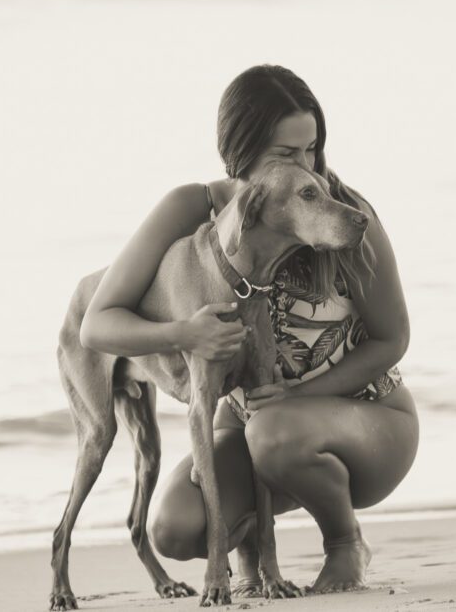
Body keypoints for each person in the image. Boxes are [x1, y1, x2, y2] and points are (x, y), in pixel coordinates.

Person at [78, 64, 418, 595]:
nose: (308, 165)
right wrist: (184, 335)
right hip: (256, 428)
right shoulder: (192, 209)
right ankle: (251, 554)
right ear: (240, 151)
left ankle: (345, 542)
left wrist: (295, 394)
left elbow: (392, 340)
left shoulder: (341, 215)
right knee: (174, 524)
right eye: (286, 154)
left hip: (370, 423)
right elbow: (97, 325)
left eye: (313, 147)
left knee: (273, 430)